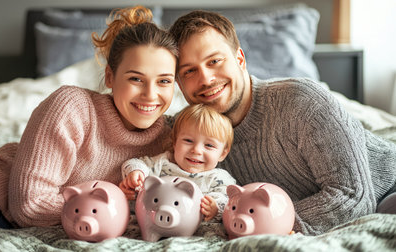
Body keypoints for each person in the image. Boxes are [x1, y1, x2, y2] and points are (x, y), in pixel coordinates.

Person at [0, 6, 178, 240]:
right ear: (110, 77)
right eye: (136, 79)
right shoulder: (73, 106)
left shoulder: (174, 139)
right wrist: (112, 211)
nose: (150, 94)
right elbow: (29, 205)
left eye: (164, 81)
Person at [168, 10, 396, 235]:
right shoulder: (186, 137)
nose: (206, 79)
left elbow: (352, 196)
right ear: (178, 82)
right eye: (189, 71)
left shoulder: (301, 100)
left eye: (215, 61)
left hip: (386, 190)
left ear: (239, 59)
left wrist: (260, 222)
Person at [119, 104, 236, 221]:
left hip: (196, 231)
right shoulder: (163, 163)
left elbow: (232, 202)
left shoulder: (218, 178)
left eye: (209, 145)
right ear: (175, 142)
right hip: (155, 222)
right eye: (188, 141)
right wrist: (136, 173)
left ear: (222, 154)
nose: (196, 150)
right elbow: (137, 163)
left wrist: (216, 208)